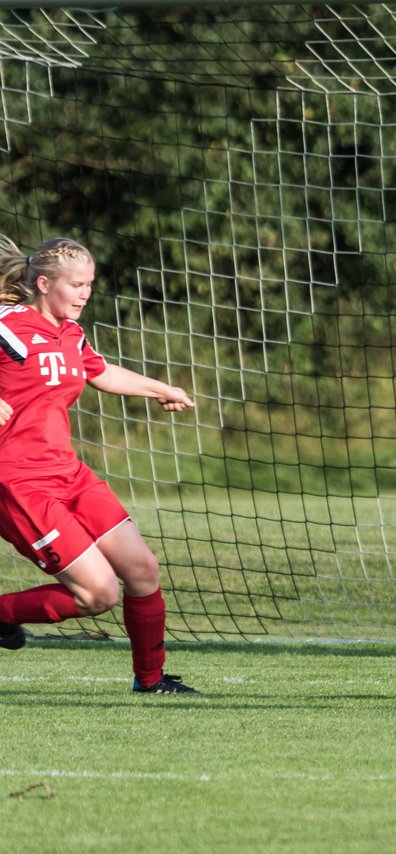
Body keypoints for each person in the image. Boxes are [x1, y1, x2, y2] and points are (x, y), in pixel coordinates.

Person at [0, 236, 198, 694]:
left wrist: (162, 389)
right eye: (76, 285)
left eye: (89, 284)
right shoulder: (9, 326)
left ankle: (150, 682)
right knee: (98, 595)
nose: (85, 293)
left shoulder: (70, 332)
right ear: (44, 283)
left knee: (143, 569)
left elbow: (101, 372)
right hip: (20, 481)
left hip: (68, 473)